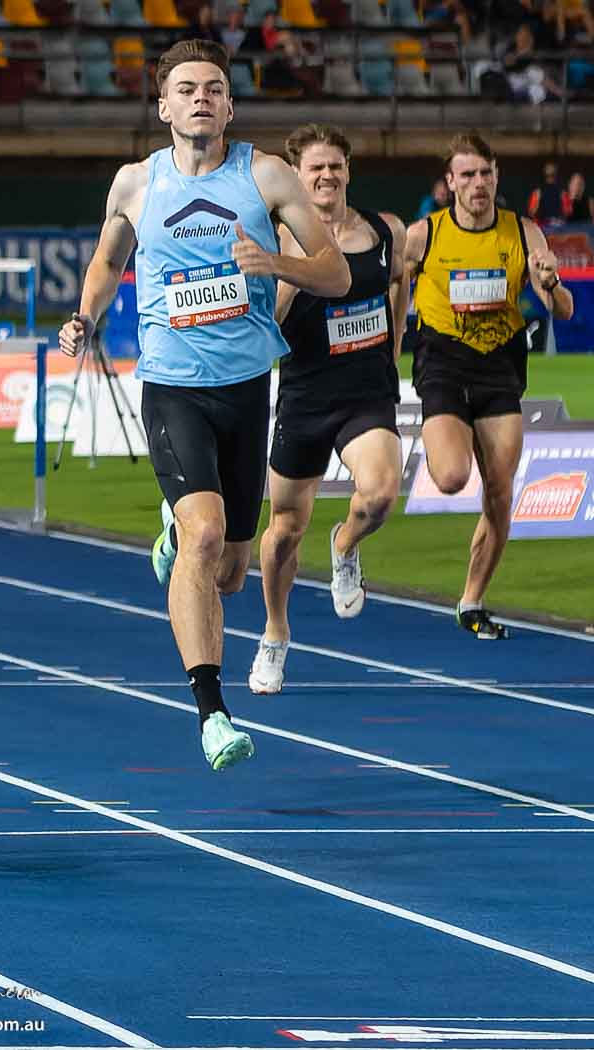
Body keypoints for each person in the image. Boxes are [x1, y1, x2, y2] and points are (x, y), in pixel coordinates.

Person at [59, 39, 349, 771]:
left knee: (228, 572)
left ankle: (174, 531)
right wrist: (86, 316)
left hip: (248, 388)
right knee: (207, 533)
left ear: (229, 106)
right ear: (163, 107)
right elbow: (107, 260)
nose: (200, 98)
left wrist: (274, 261)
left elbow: (337, 273)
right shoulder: (135, 184)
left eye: (214, 88)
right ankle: (212, 712)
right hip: (172, 384)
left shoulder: (267, 176)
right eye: (186, 88)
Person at [249, 125, 409, 695]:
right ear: (296, 176)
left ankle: (344, 546)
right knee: (284, 532)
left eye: (335, 166)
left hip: (366, 394)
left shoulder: (384, 230)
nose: (327, 176)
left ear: (348, 171)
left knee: (382, 493)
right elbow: (263, 326)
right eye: (315, 168)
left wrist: (392, 347)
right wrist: (286, 272)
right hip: (305, 397)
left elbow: (399, 281)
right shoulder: (281, 241)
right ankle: (275, 632)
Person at [404, 133, 574, 639]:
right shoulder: (425, 234)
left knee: (500, 493)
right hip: (443, 365)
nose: (478, 183)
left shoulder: (523, 233)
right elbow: (389, 278)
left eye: (486, 174)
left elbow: (562, 310)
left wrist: (550, 282)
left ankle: (471, 601)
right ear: (450, 182)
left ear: (496, 177)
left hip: (500, 367)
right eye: (468, 175)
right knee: (453, 476)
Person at [527, 160, 565, 225]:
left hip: (558, 225)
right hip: (542, 225)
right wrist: (538, 201)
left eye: (553, 175)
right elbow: (531, 213)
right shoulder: (537, 192)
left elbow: (567, 214)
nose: (550, 179)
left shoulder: (561, 192)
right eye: (548, 176)